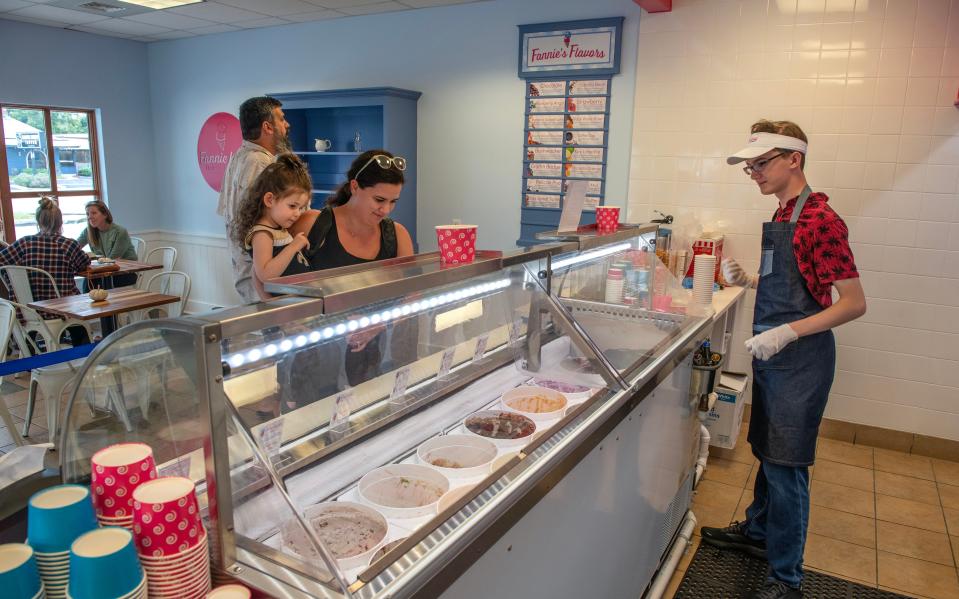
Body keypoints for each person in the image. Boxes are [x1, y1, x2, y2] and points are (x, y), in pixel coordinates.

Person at [700, 120, 867, 599]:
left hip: (800, 362)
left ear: (794, 159)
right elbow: (801, 282)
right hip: (773, 356)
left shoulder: (821, 221)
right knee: (767, 451)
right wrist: (749, 279)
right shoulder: (786, 212)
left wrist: (788, 332)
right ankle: (757, 533)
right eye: (749, 166)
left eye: (761, 163)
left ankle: (786, 579)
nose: (753, 172)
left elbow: (853, 302)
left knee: (786, 466)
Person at [279, 150, 415, 409]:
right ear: (355, 186)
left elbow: (411, 295)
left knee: (364, 421)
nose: (385, 209)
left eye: (393, 201)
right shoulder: (312, 225)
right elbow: (265, 274)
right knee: (309, 429)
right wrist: (286, 321)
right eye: (379, 199)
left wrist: (377, 325)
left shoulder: (397, 235)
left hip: (368, 355)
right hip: (313, 354)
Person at [217, 96, 291, 304]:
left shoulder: (238, 156)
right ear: (267, 127)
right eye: (282, 119)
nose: (287, 125)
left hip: (245, 268)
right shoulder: (261, 163)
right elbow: (260, 220)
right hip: (259, 269)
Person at [0, 197, 91, 345]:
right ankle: (83, 353)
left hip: (29, 309)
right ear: (60, 223)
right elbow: (84, 263)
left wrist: (13, 279)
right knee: (80, 325)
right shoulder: (68, 245)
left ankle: (31, 352)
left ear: (38, 221)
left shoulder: (25, 243)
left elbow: (2, 261)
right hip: (64, 309)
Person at [230, 154, 313, 301]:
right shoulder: (262, 234)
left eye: (300, 208)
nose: (297, 213)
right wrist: (294, 246)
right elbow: (265, 275)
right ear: (269, 200)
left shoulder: (277, 229)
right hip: (287, 305)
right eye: (292, 206)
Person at [76, 200, 138, 289]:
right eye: (87, 214)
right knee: (89, 279)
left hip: (125, 272)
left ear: (105, 215)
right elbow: (74, 247)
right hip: (104, 271)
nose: (90, 217)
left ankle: (102, 301)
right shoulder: (88, 231)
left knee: (98, 279)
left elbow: (112, 259)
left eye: (94, 213)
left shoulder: (119, 231)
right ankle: (91, 301)